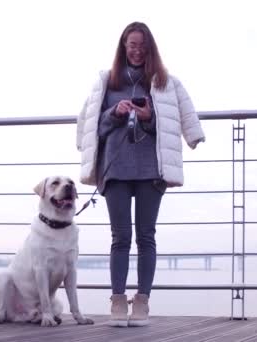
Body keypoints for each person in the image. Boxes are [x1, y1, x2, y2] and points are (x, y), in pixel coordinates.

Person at [75, 21, 205, 327]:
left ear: (151, 49)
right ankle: (118, 301)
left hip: (151, 171)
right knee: (120, 238)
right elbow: (89, 128)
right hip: (115, 169)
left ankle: (142, 302)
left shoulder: (165, 82)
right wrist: (114, 113)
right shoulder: (105, 81)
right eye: (131, 45)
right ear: (123, 47)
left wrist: (149, 118)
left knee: (146, 237)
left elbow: (182, 120)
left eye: (142, 46)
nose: (136, 51)